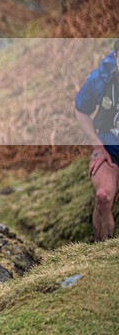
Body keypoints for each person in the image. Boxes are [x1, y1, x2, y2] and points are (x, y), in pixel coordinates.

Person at [75, 39, 119, 241]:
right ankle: (101, 248)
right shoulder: (101, 77)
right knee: (102, 197)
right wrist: (97, 145)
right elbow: (81, 110)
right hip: (110, 148)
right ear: (116, 58)